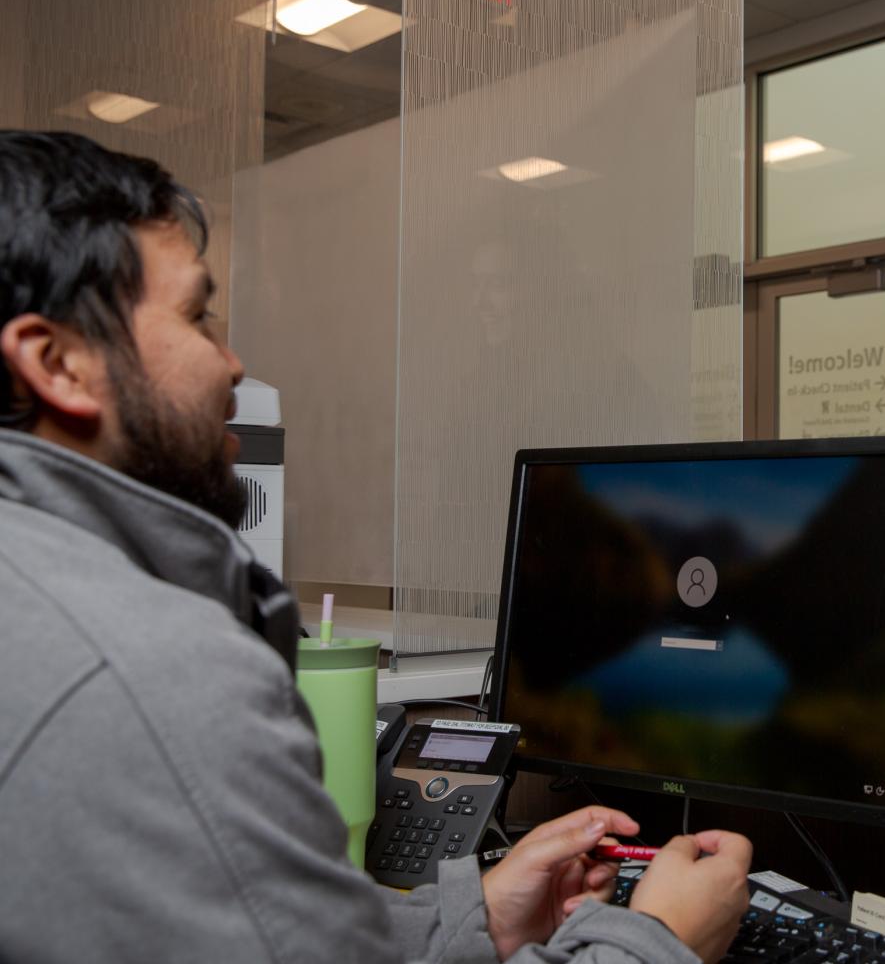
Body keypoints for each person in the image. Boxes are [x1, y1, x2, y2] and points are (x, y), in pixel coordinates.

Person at [0, 129, 752, 963]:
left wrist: (471, 922)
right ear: (56, 362)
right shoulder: (155, 681)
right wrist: (658, 939)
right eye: (195, 317)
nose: (233, 362)